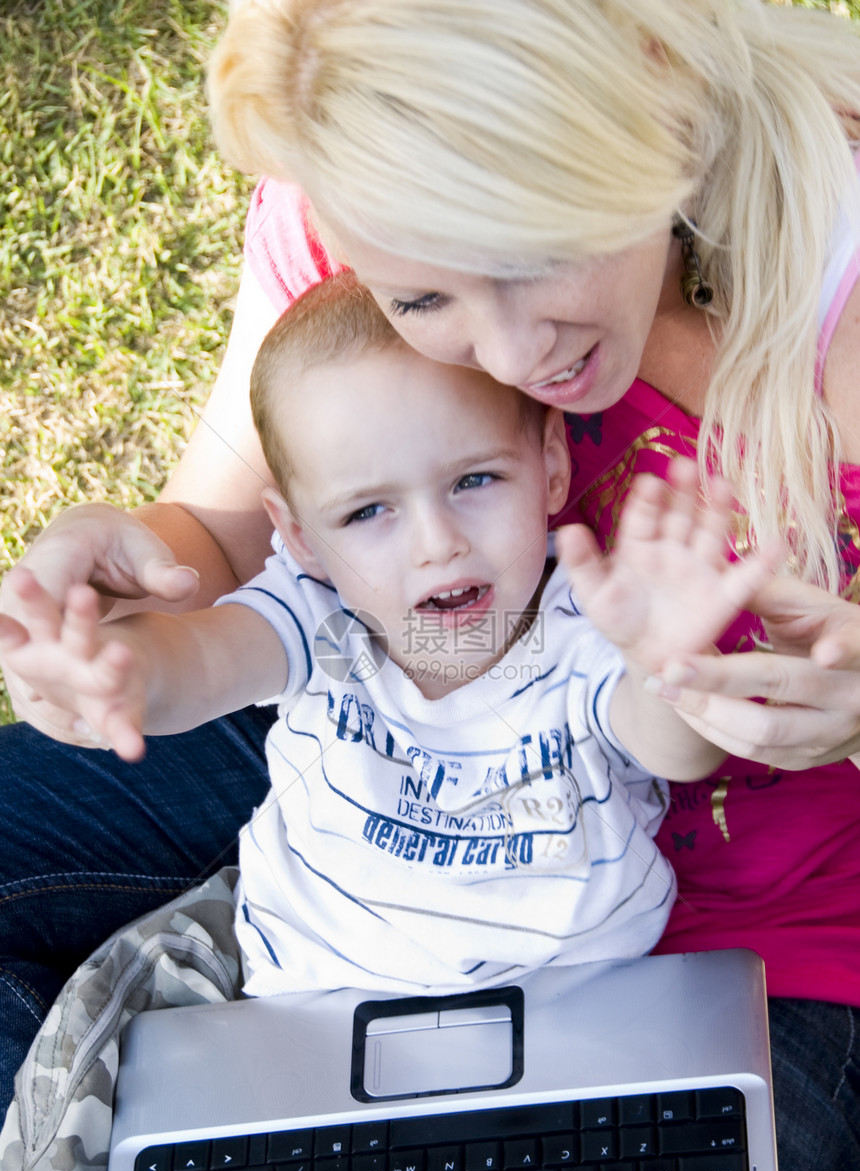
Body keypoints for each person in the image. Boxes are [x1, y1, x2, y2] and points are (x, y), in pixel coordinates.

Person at [2, 1, 860, 1171]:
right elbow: (232, 522)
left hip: (759, 922)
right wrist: (119, 587)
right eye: (419, 296)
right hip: (383, 730)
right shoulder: (356, 174)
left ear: (654, 96)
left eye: (533, 253)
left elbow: (650, 722)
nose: (517, 358)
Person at [0, 274, 771, 997]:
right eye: (368, 513)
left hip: (568, 1016)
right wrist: (113, 668)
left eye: (475, 481)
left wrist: (668, 662)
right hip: (308, 1008)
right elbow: (200, 660)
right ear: (299, 536)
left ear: (552, 466)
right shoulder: (323, 621)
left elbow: (674, 748)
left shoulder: (579, 622)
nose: (436, 544)